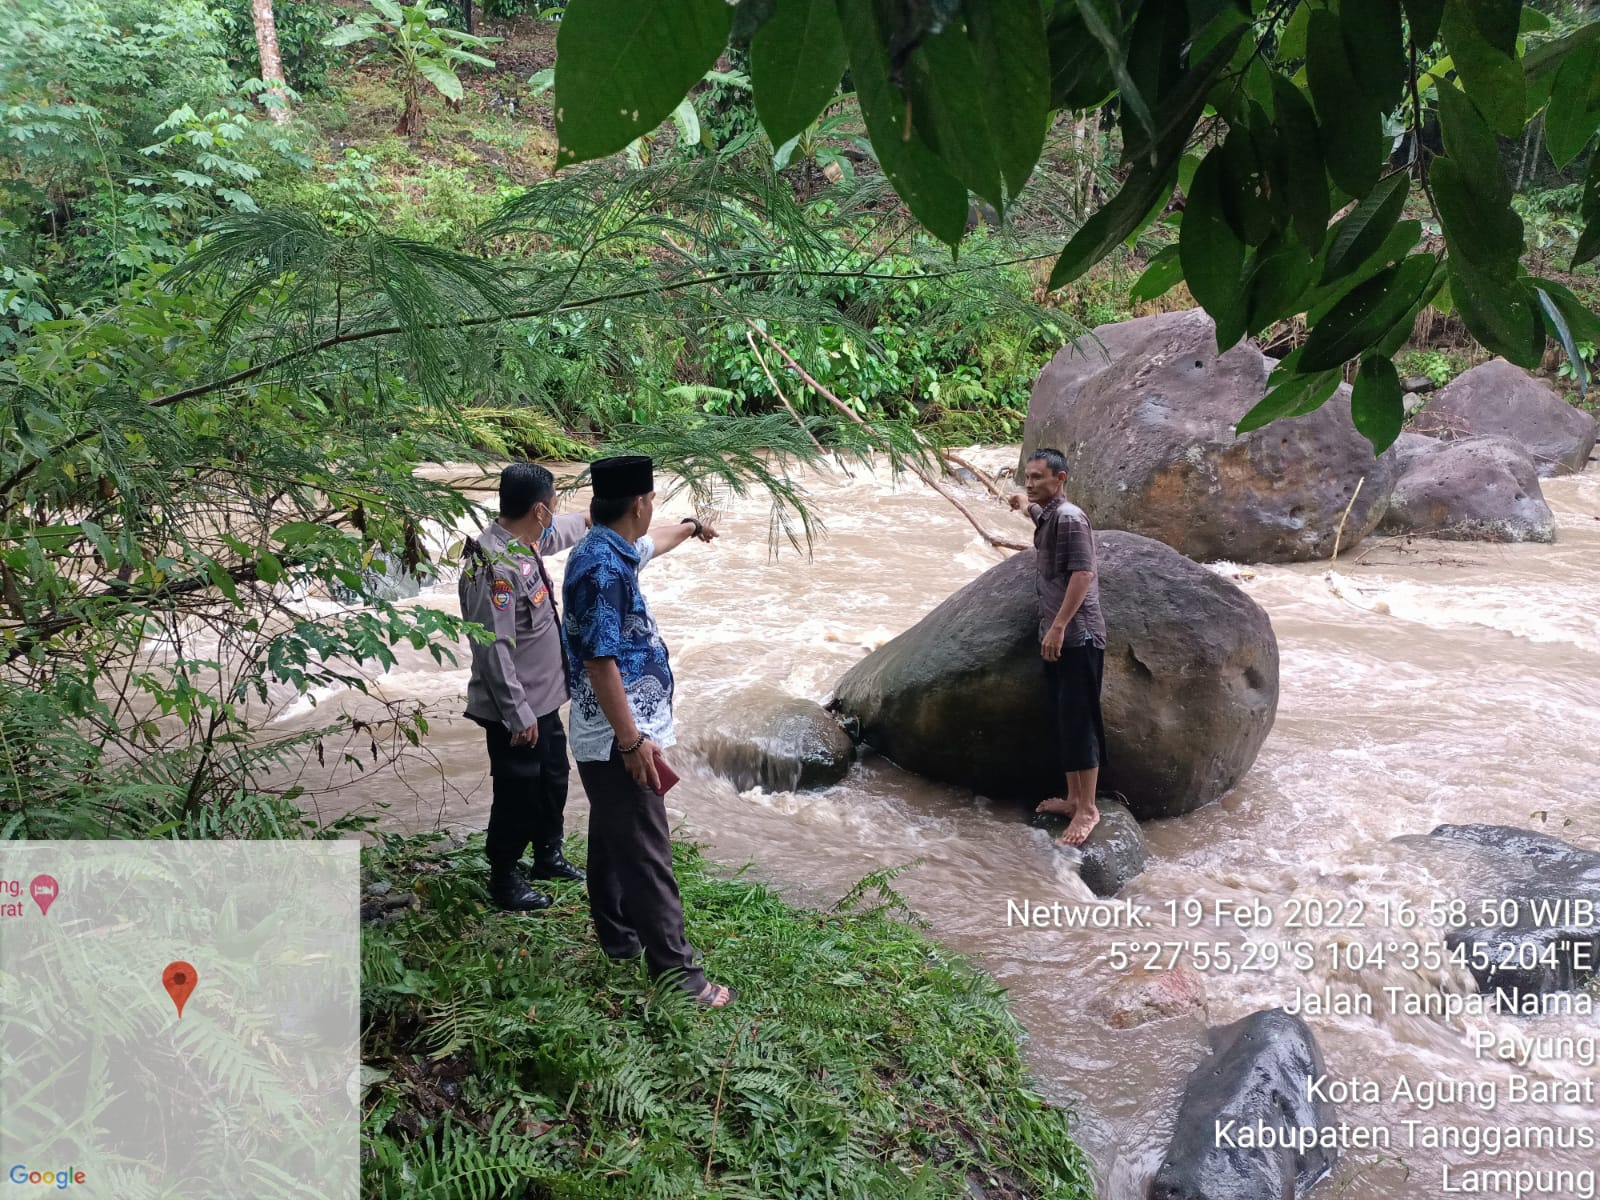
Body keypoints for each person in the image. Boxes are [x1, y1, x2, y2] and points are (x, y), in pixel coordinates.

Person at [562, 454, 736, 1008]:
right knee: (646, 851)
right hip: (618, 735)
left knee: (614, 837)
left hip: (615, 731)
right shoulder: (601, 571)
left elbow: (651, 544)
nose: (653, 509)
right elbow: (600, 661)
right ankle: (680, 979)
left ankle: (618, 938)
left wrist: (689, 527)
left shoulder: (606, 546)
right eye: (654, 501)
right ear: (639, 502)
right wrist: (632, 741)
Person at [459, 462, 590, 912]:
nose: (555, 512)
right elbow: (492, 649)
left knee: (553, 778)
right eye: (552, 505)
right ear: (538, 508)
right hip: (516, 710)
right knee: (517, 792)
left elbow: (558, 534)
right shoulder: (490, 565)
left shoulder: (524, 540)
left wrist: (591, 517)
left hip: (545, 700)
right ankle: (504, 876)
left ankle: (547, 856)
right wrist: (519, 714)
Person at [1009, 448, 1108, 847]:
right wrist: (1022, 506)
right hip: (1060, 635)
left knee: (1080, 721)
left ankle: (1088, 809)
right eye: (1027, 478)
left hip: (1078, 636)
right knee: (1065, 721)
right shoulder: (1048, 514)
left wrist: (1059, 626)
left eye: (1037, 478)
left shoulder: (1070, 519)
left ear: (1060, 478)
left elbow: (1083, 574)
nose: (1030, 484)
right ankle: (1072, 799)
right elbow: (1038, 515)